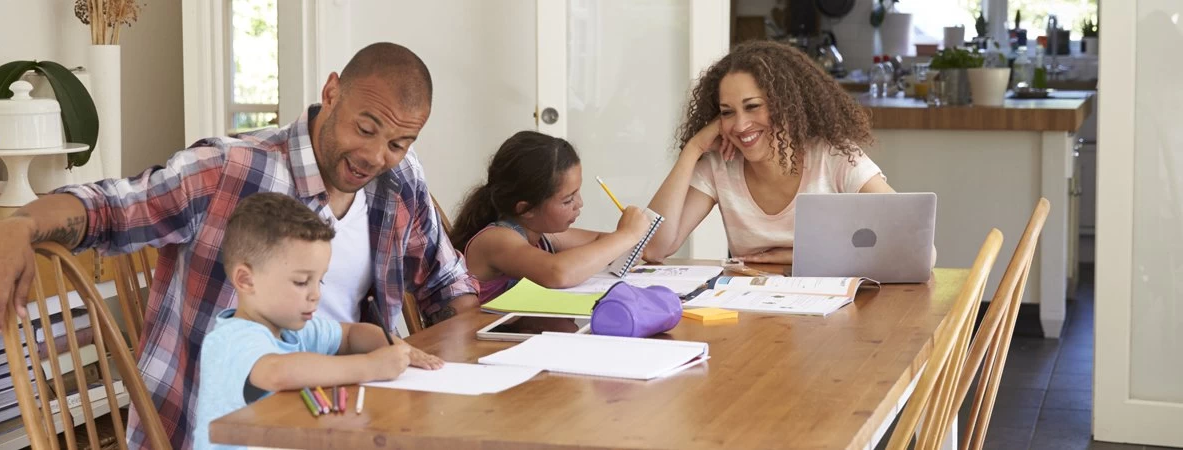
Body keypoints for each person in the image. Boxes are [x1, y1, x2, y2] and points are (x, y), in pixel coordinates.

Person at [0, 42, 478, 448]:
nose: (374, 155)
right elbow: (108, 207)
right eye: (366, 129)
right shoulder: (228, 170)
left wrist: (474, 367)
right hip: (222, 431)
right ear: (332, 91)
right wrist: (20, 225)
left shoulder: (400, 180)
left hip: (352, 419)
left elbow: (446, 281)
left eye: (398, 142)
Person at [193, 193, 442, 450]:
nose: (316, 294)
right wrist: (370, 366)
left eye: (319, 281)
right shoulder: (232, 339)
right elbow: (278, 372)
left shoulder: (293, 331)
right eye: (302, 282)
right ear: (246, 280)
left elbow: (349, 335)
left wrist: (397, 346)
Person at [644, 41, 895, 265]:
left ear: (786, 104)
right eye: (727, 112)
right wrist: (692, 149)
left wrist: (799, 255)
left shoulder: (833, 157)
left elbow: (917, 247)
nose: (740, 126)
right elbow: (653, 249)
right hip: (754, 310)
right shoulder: (720, 165)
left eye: (753, 107)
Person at [450, 131, 650, 301]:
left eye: (577, 193)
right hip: (482, 344)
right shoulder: (495, 239)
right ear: (526, 209)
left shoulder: (539, 234)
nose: (579, 204)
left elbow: (600, 241)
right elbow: (558, 272)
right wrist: (626, 236)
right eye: (567, 200)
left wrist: (624, 246)